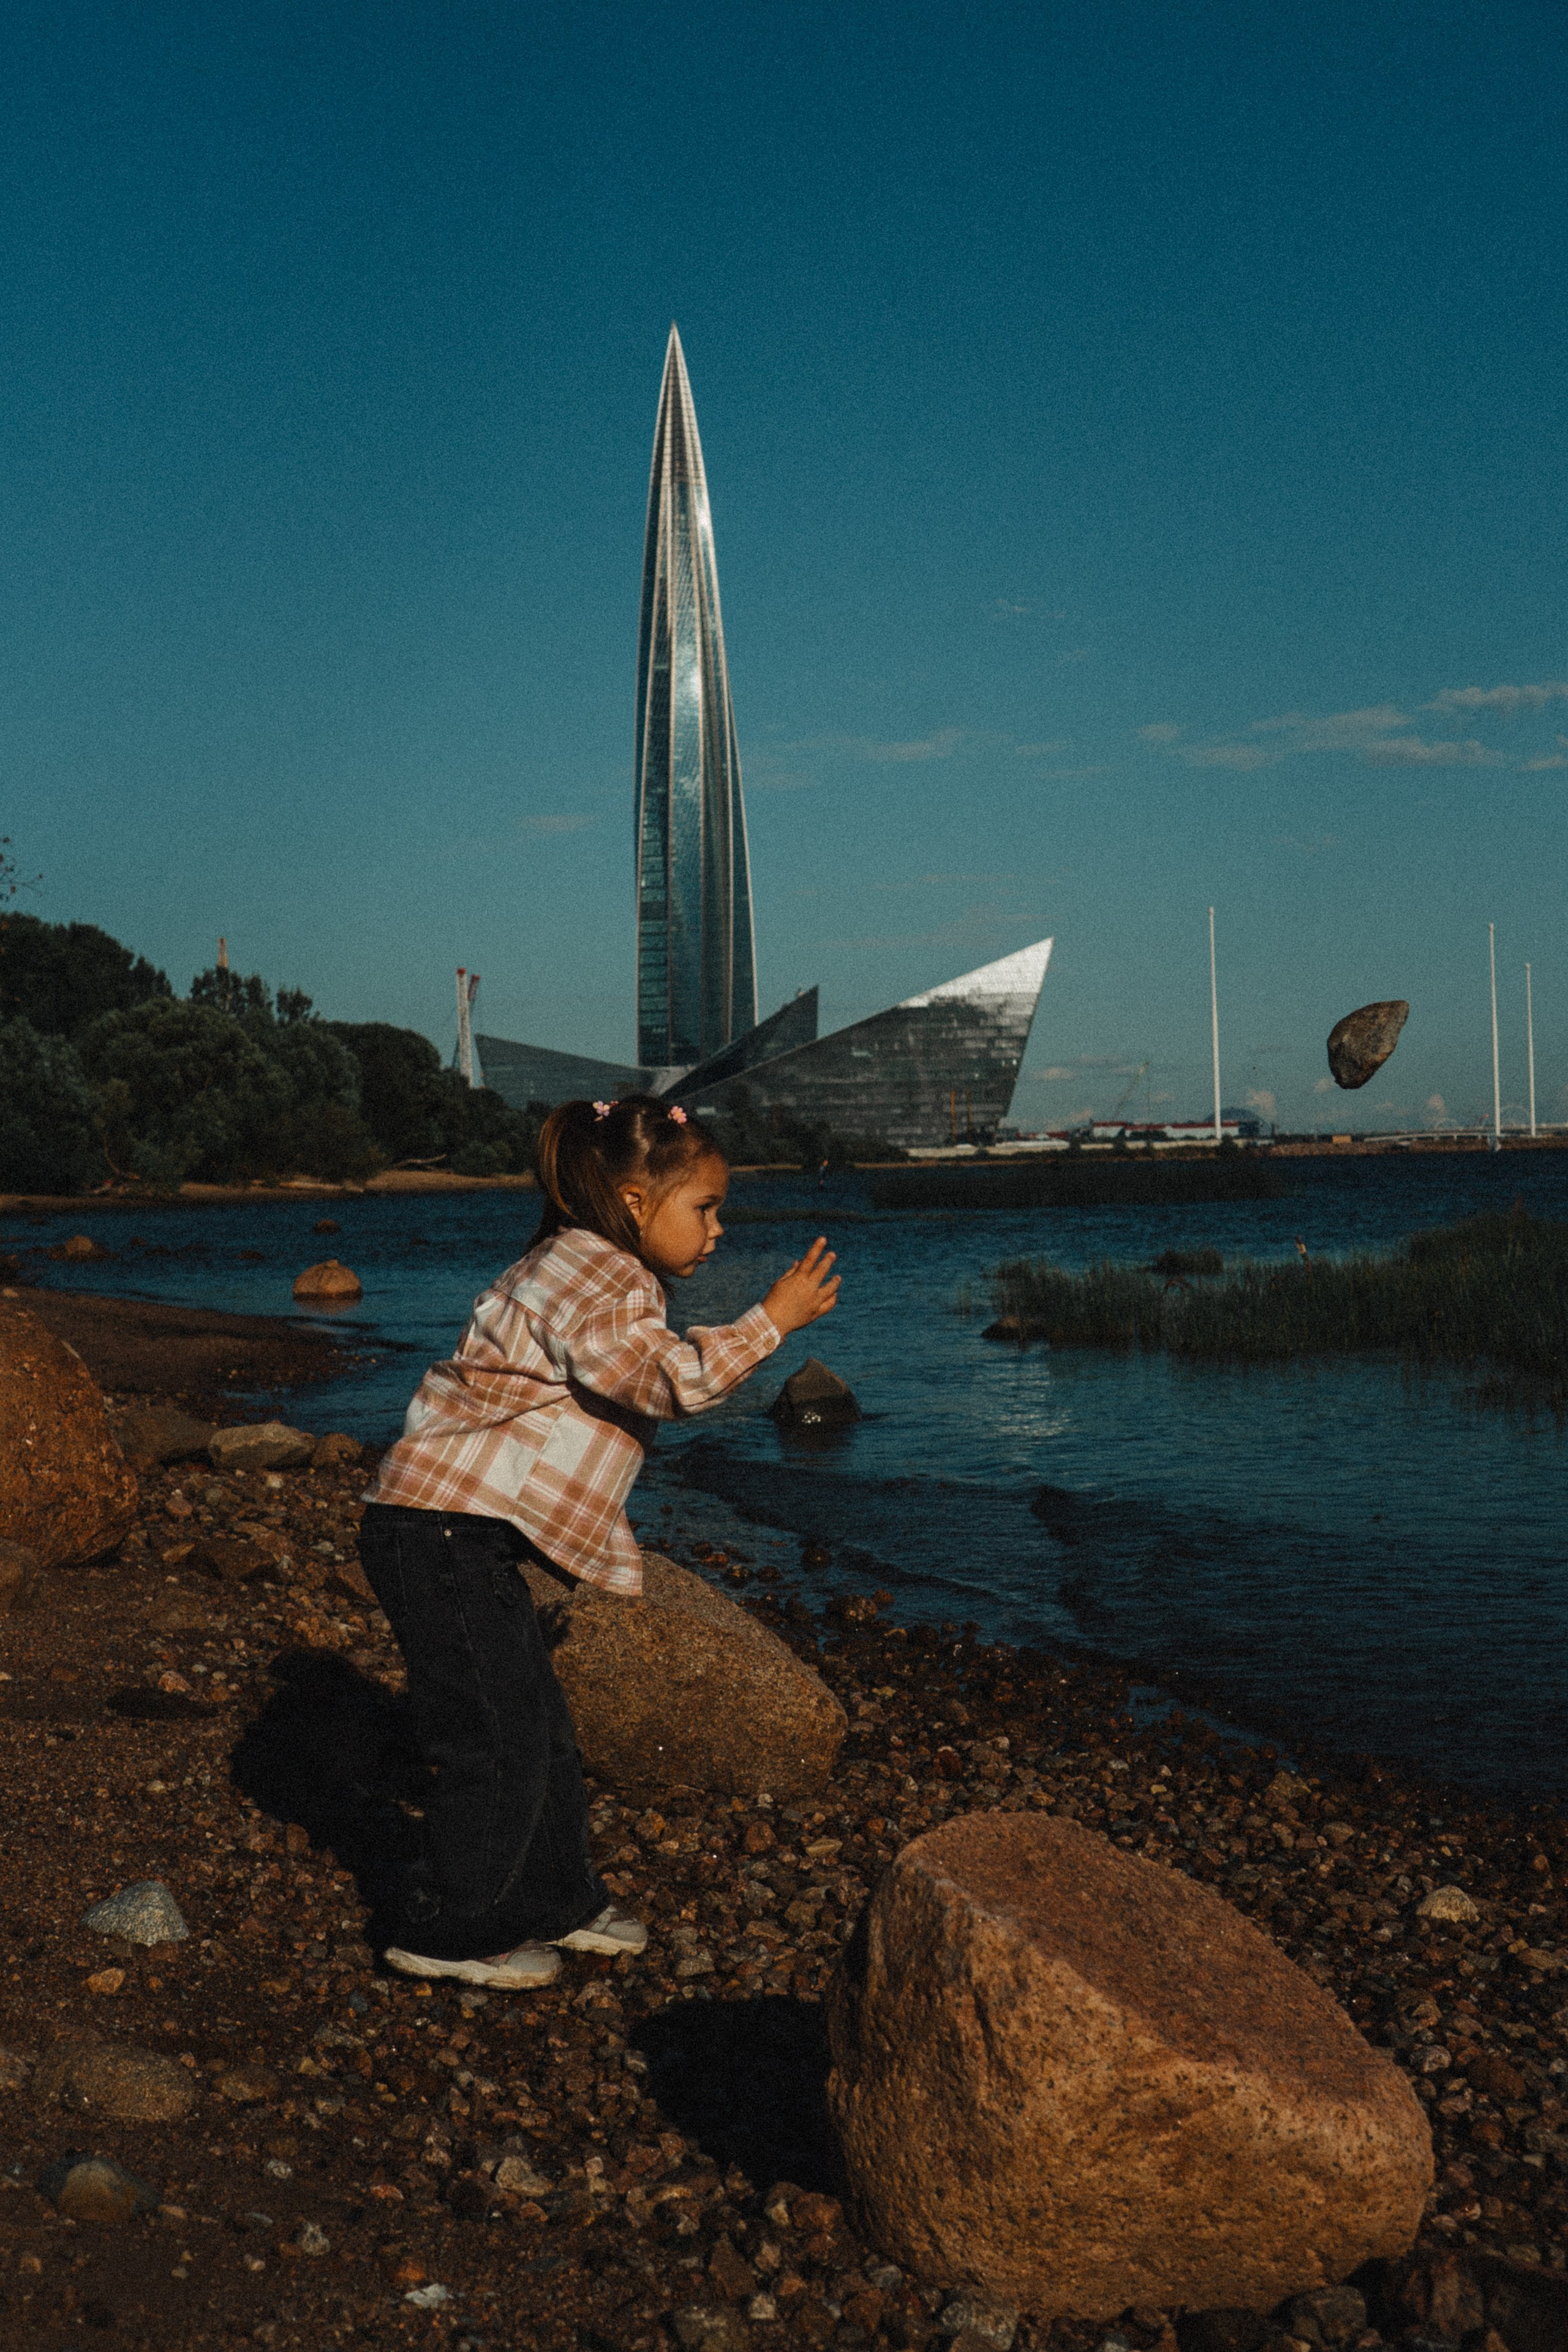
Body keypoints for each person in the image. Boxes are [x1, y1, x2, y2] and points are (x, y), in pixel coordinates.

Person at [356, 1095, 840, 1991]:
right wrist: (771, 1321)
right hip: (442, 1531)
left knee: (537, 1731)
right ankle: (455, 1927)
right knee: (494, 1741)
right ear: (629, 1201)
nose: (718, 1230)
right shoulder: (603, 1275)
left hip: (454, 1533)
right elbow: (669, 1381)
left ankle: (555, 1899)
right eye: (703, 1208)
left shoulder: (576, 1264)